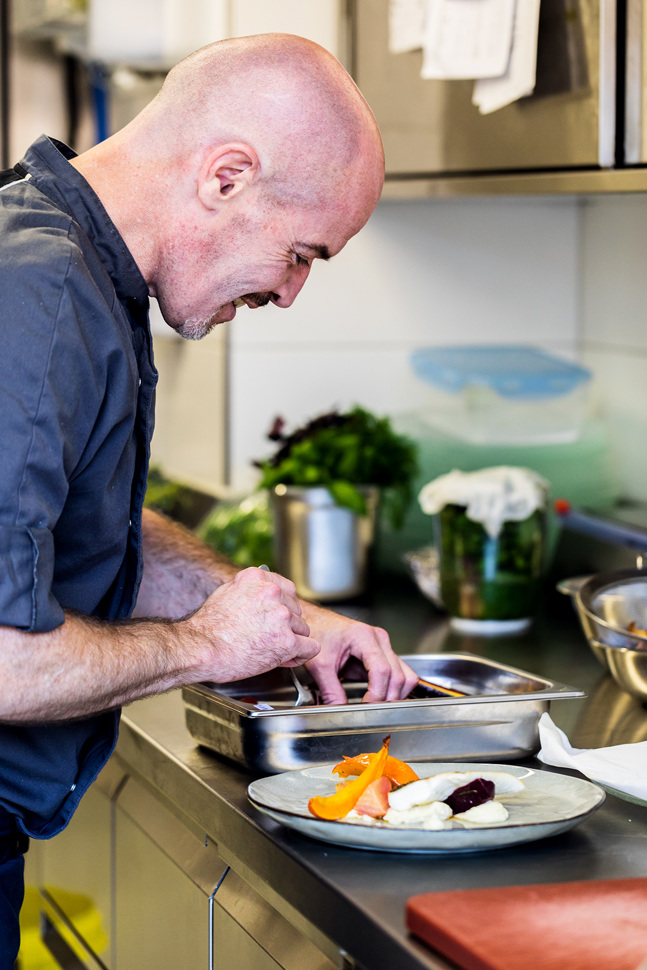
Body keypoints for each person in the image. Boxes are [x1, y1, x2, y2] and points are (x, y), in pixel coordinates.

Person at [0, 33, 418, 963]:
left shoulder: (69, 267)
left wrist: (284, 619)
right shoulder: (39, 296)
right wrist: (206, 646)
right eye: (301, 253)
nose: (291, 292)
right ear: (227, 176)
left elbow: (78, 524)